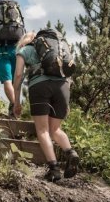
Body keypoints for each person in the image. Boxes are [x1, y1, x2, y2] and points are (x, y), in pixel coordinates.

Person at [13, 31, 80, 182]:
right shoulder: (57, 51)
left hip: (40, 86)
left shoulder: (24, 50)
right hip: (63, 87)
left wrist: (16, 102)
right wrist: (65, 102)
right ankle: (71, 153)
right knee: (55, 129)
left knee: (42, 130)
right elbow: (68, 75)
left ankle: (54, 170)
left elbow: (18, 76)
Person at [0, 0, 25, 118]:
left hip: (2, 51)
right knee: (16, 81)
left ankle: (15, 105)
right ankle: (14, 111)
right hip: (17, 51)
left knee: (7, 80)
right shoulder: (17, 17)